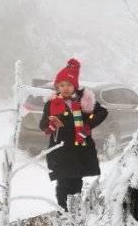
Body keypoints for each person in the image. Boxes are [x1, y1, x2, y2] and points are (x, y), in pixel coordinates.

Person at [39, 58, 108, 211]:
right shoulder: (52, 103)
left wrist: (88, 126)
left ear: (75, 85)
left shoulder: (85, 101)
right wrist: (50, 124)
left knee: (77, 181)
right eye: (61, 85)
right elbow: (42, 125)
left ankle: (76, 212)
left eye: (69, 84)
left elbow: (102, 112)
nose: (65, 88)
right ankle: (63, 211)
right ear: (57, 86)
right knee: (63, 183)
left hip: (80, 149)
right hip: (61, 150)